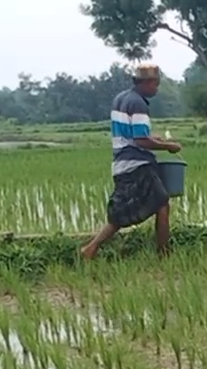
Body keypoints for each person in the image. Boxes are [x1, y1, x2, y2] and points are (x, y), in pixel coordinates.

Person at [80, 64, 182, 260]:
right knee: (139, 209)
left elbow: (133, 134)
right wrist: (168, 146)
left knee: (150, 206)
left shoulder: (122, 98)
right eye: (156, 84)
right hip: (137, 165)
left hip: (123, 164)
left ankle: (163, 251)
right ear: (146, 82)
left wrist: (156, 139)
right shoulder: (138, 103)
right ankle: (163, 253)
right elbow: (141, 141)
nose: (156, 89)